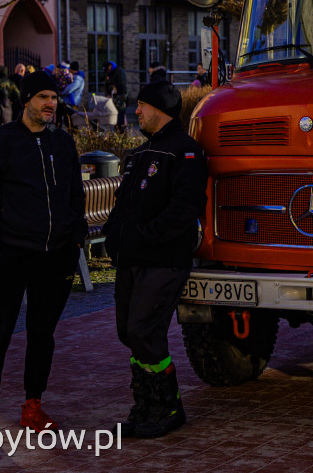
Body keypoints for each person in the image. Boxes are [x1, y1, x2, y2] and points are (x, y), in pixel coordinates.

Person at [0, 71, 87, 445]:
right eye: (43, 97)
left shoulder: (62, 143)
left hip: (55, 257)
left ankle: (32, 405)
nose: (51, 103)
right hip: (10, 256)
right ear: (27, 100)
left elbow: (74, 196)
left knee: (42, 335)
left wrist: (74, 240)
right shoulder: (0, 143)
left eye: (54, 97)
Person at [104, 81, 207, 438]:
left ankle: (169, 407)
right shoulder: (141, 154)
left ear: (159, 109)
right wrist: (115, 240)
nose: (136, 112)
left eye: (141, 106)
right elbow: (123, 205)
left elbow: (183, 210)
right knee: (129, 333)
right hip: (132, 259)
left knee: (144, 331)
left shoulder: (185, 152)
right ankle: (144, 406)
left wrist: (147, 238)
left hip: (163, 261)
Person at [104, 61, 129, 132]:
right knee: (116, 112)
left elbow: (122, 85)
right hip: (114, 96)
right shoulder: (110, 73)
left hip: (120, 96)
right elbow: (106, 84)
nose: (107, 72)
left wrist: (116, 90)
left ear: (110, 66)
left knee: (120, 112)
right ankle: (118, 128)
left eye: (107, 70)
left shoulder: (119, 72)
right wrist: (108, 93)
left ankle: (121, 129)